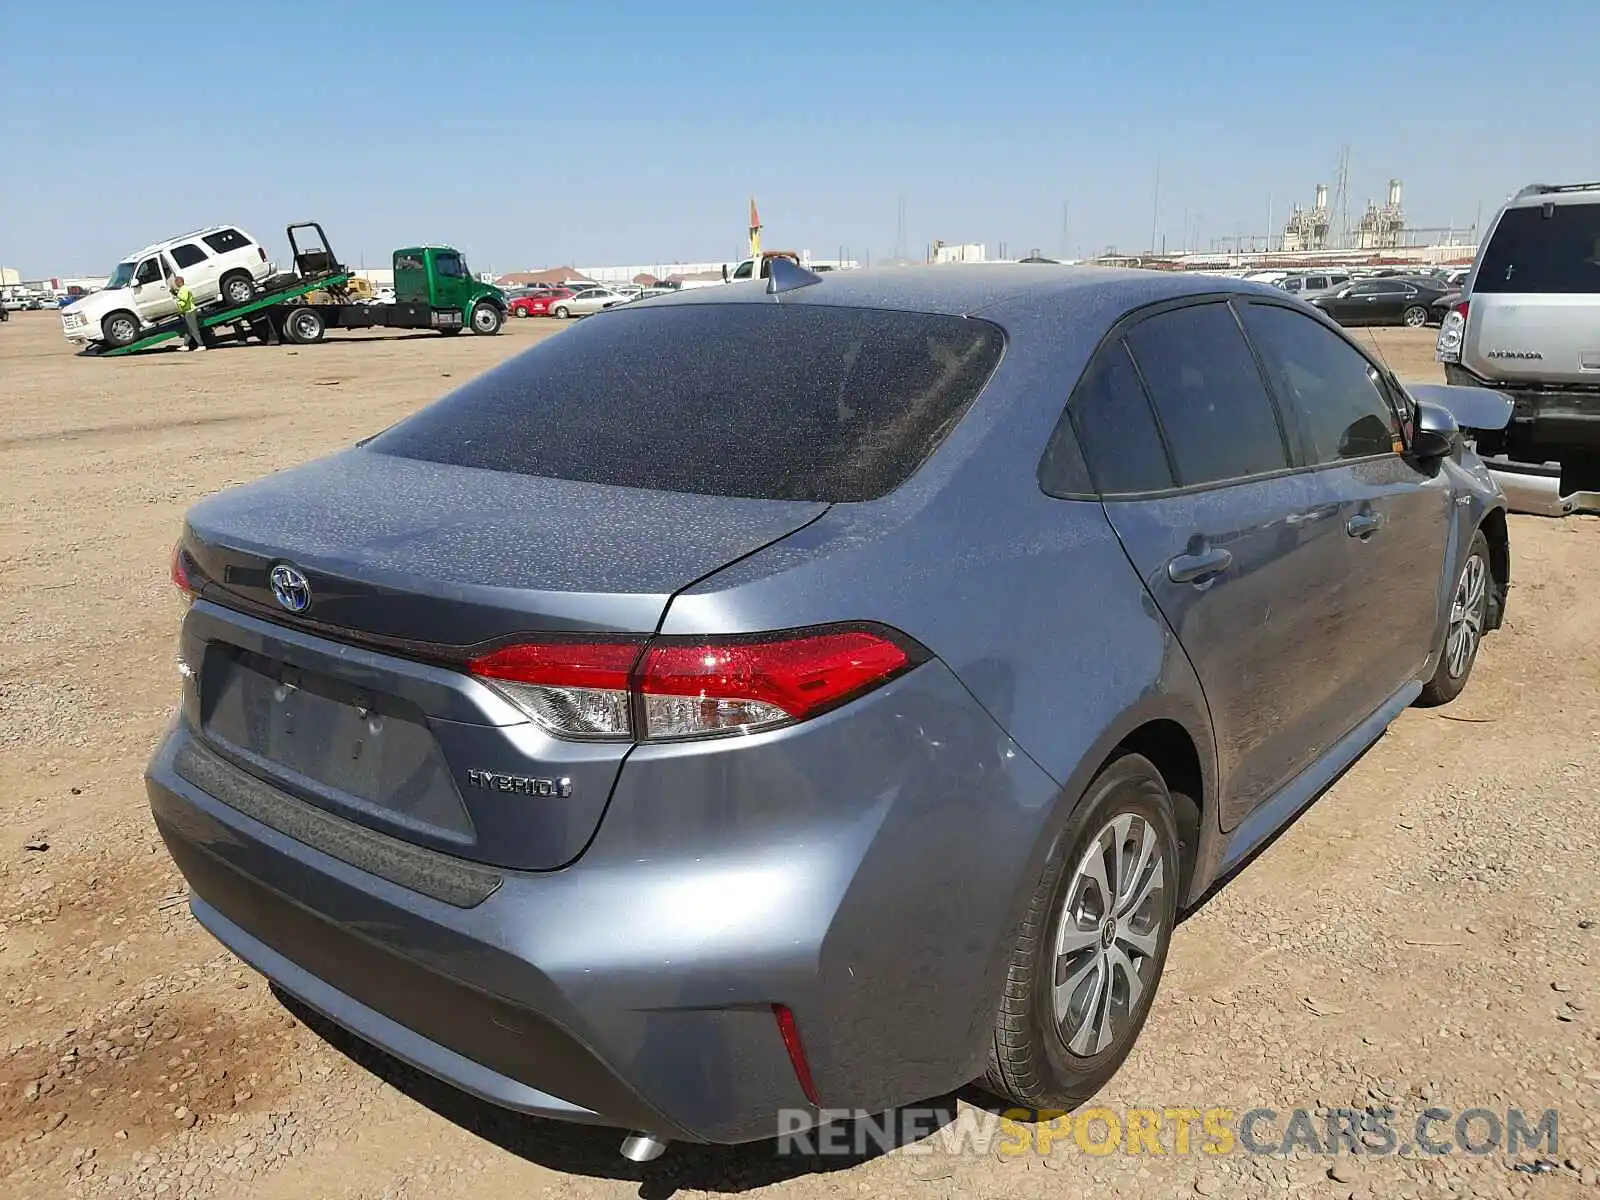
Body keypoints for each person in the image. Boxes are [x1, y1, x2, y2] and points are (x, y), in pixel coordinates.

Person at [171, 275, 205, 351]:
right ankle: (186, 345)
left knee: (193, 329)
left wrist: (177, 298)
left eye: (176, 282)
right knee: (189, 330)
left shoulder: (184, 289)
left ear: (179, 282)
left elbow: (184, 299)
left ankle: (201, 345)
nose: (175, 284)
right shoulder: (183, 289)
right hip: (187, 311)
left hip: (190, 311)